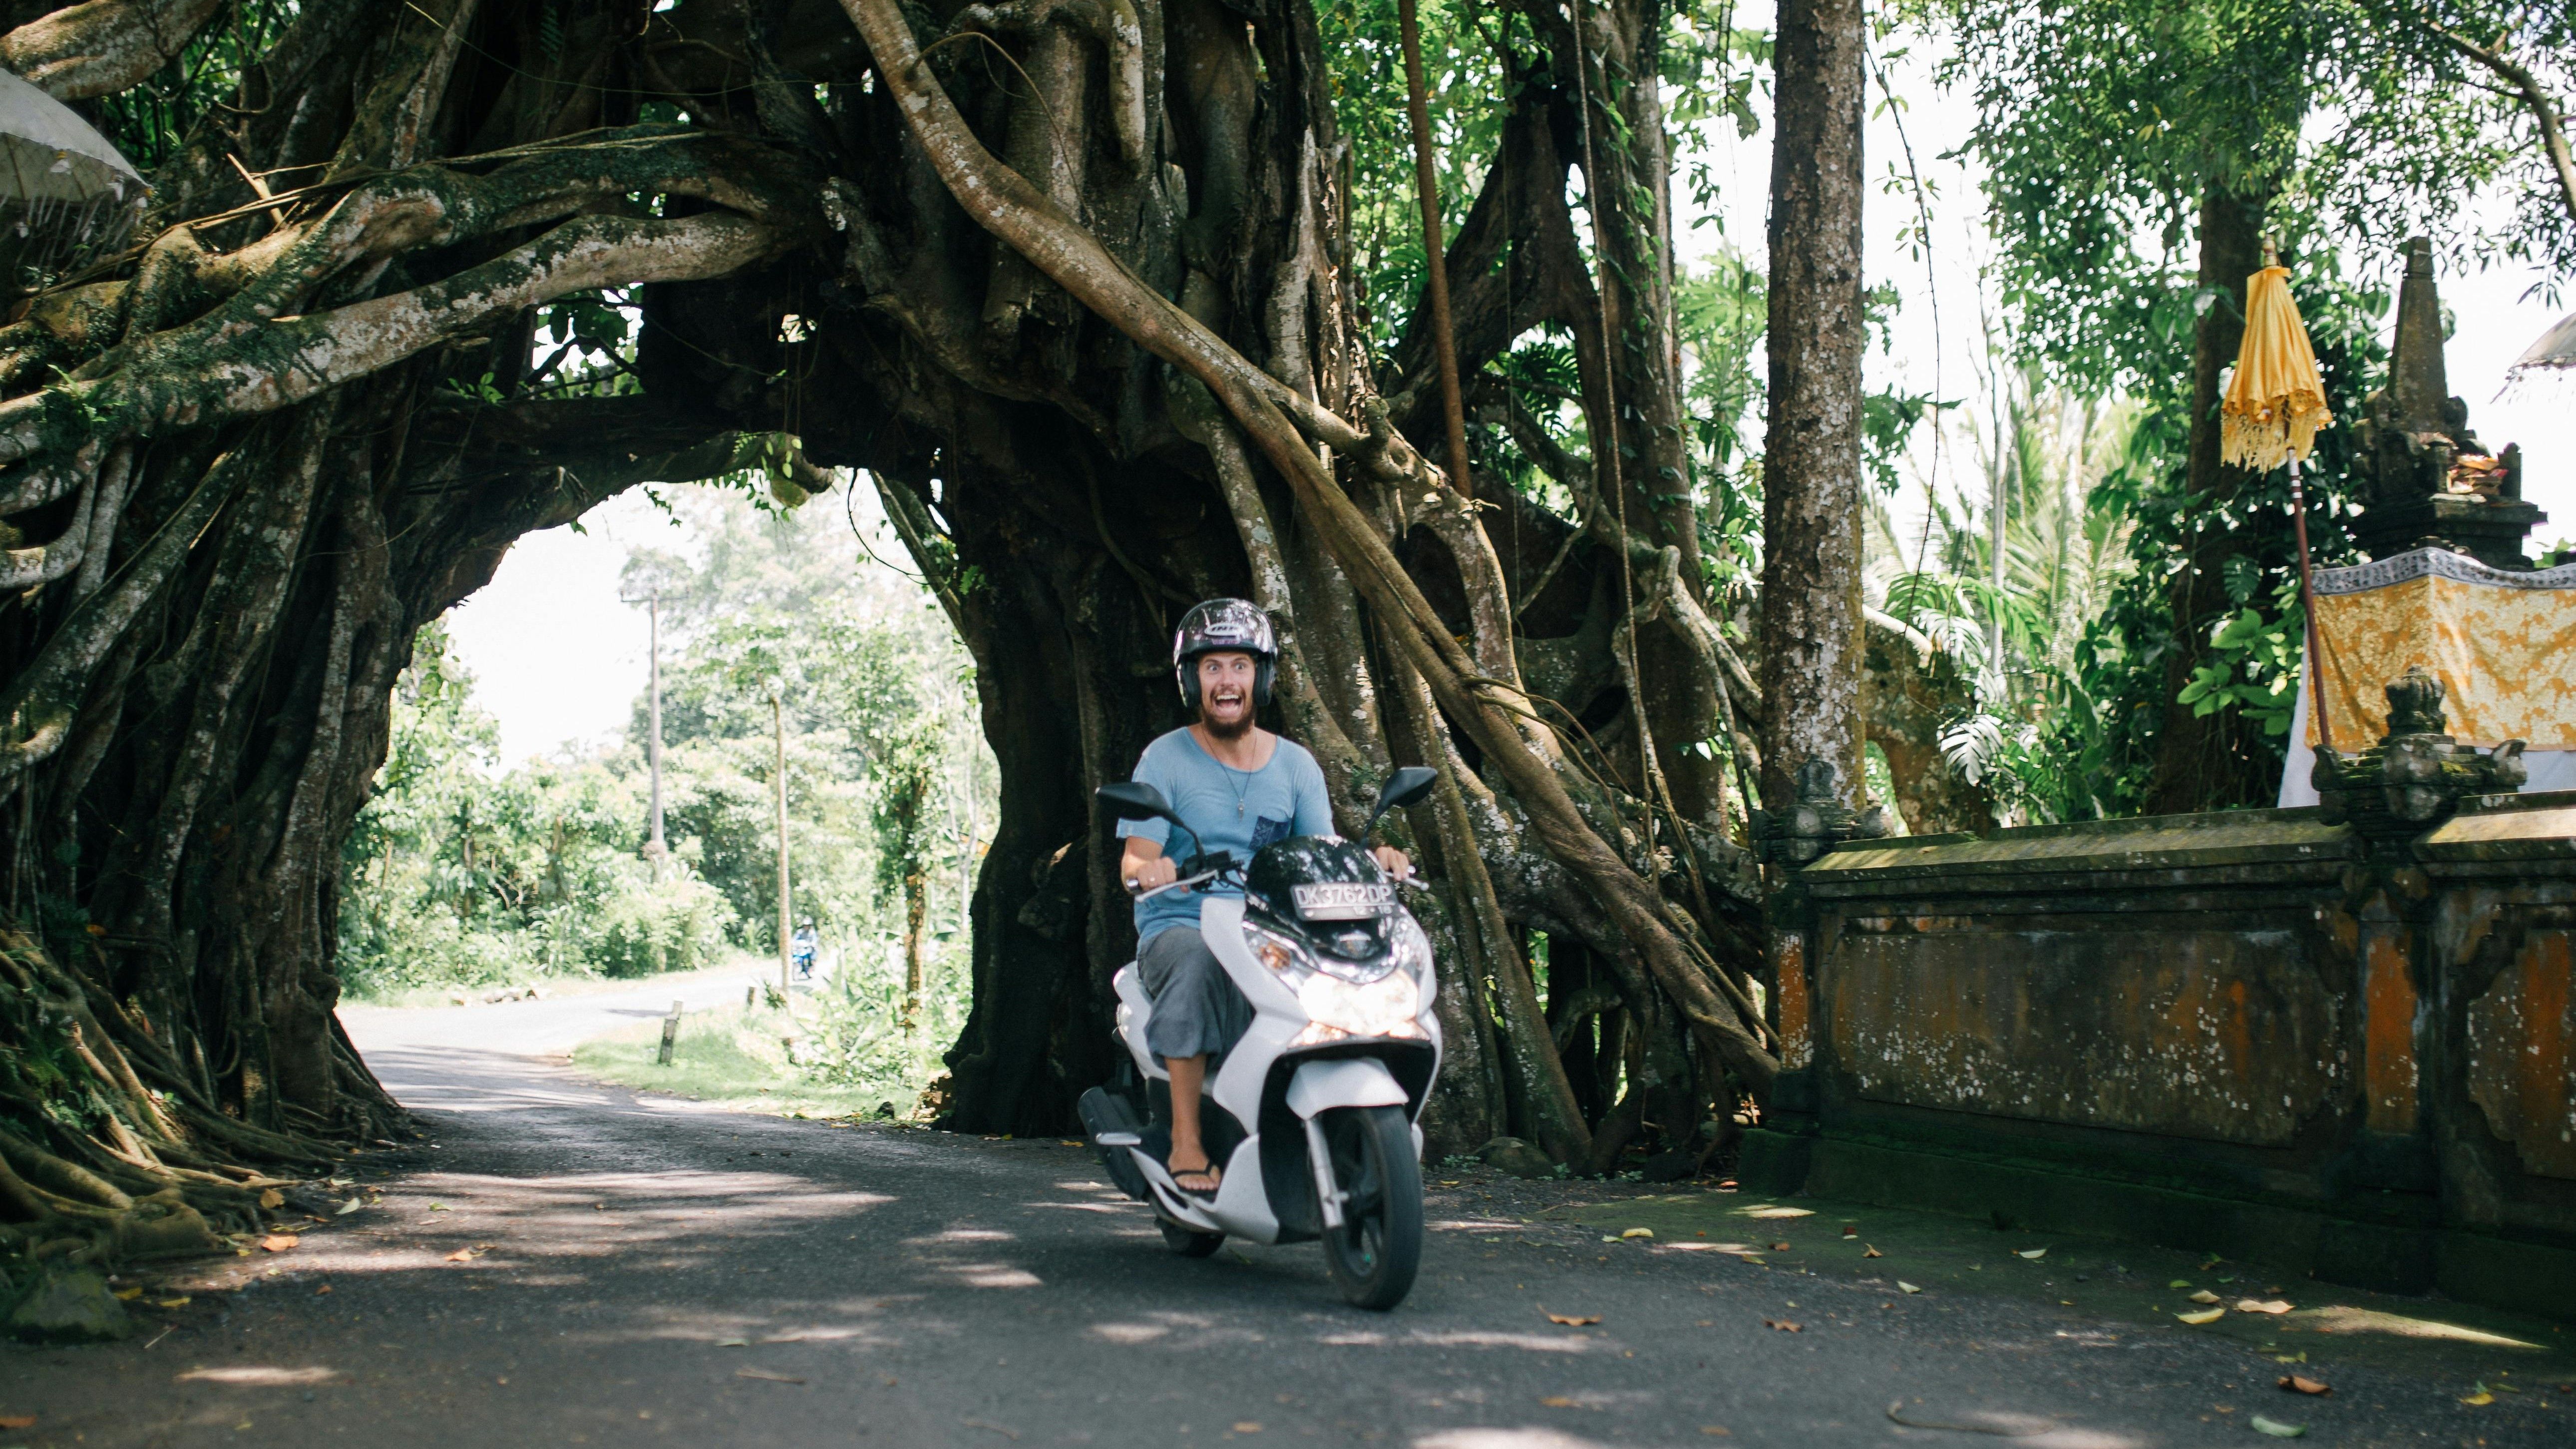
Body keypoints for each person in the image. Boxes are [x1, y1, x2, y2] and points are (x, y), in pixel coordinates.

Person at [1116, 599, 1410, 1198]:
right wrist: (1152, 869)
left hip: (1269, 929)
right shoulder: (1163, 758)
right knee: (1197, 961)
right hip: (1183, 922)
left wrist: (1375, 856)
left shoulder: (1297, 766)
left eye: (1240, 666)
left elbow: (1319, 850)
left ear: (1262, 677)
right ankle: (1186, 1138)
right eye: (1212, 667)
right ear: (1191, 680)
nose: (1226, 681)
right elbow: (1133, 858)